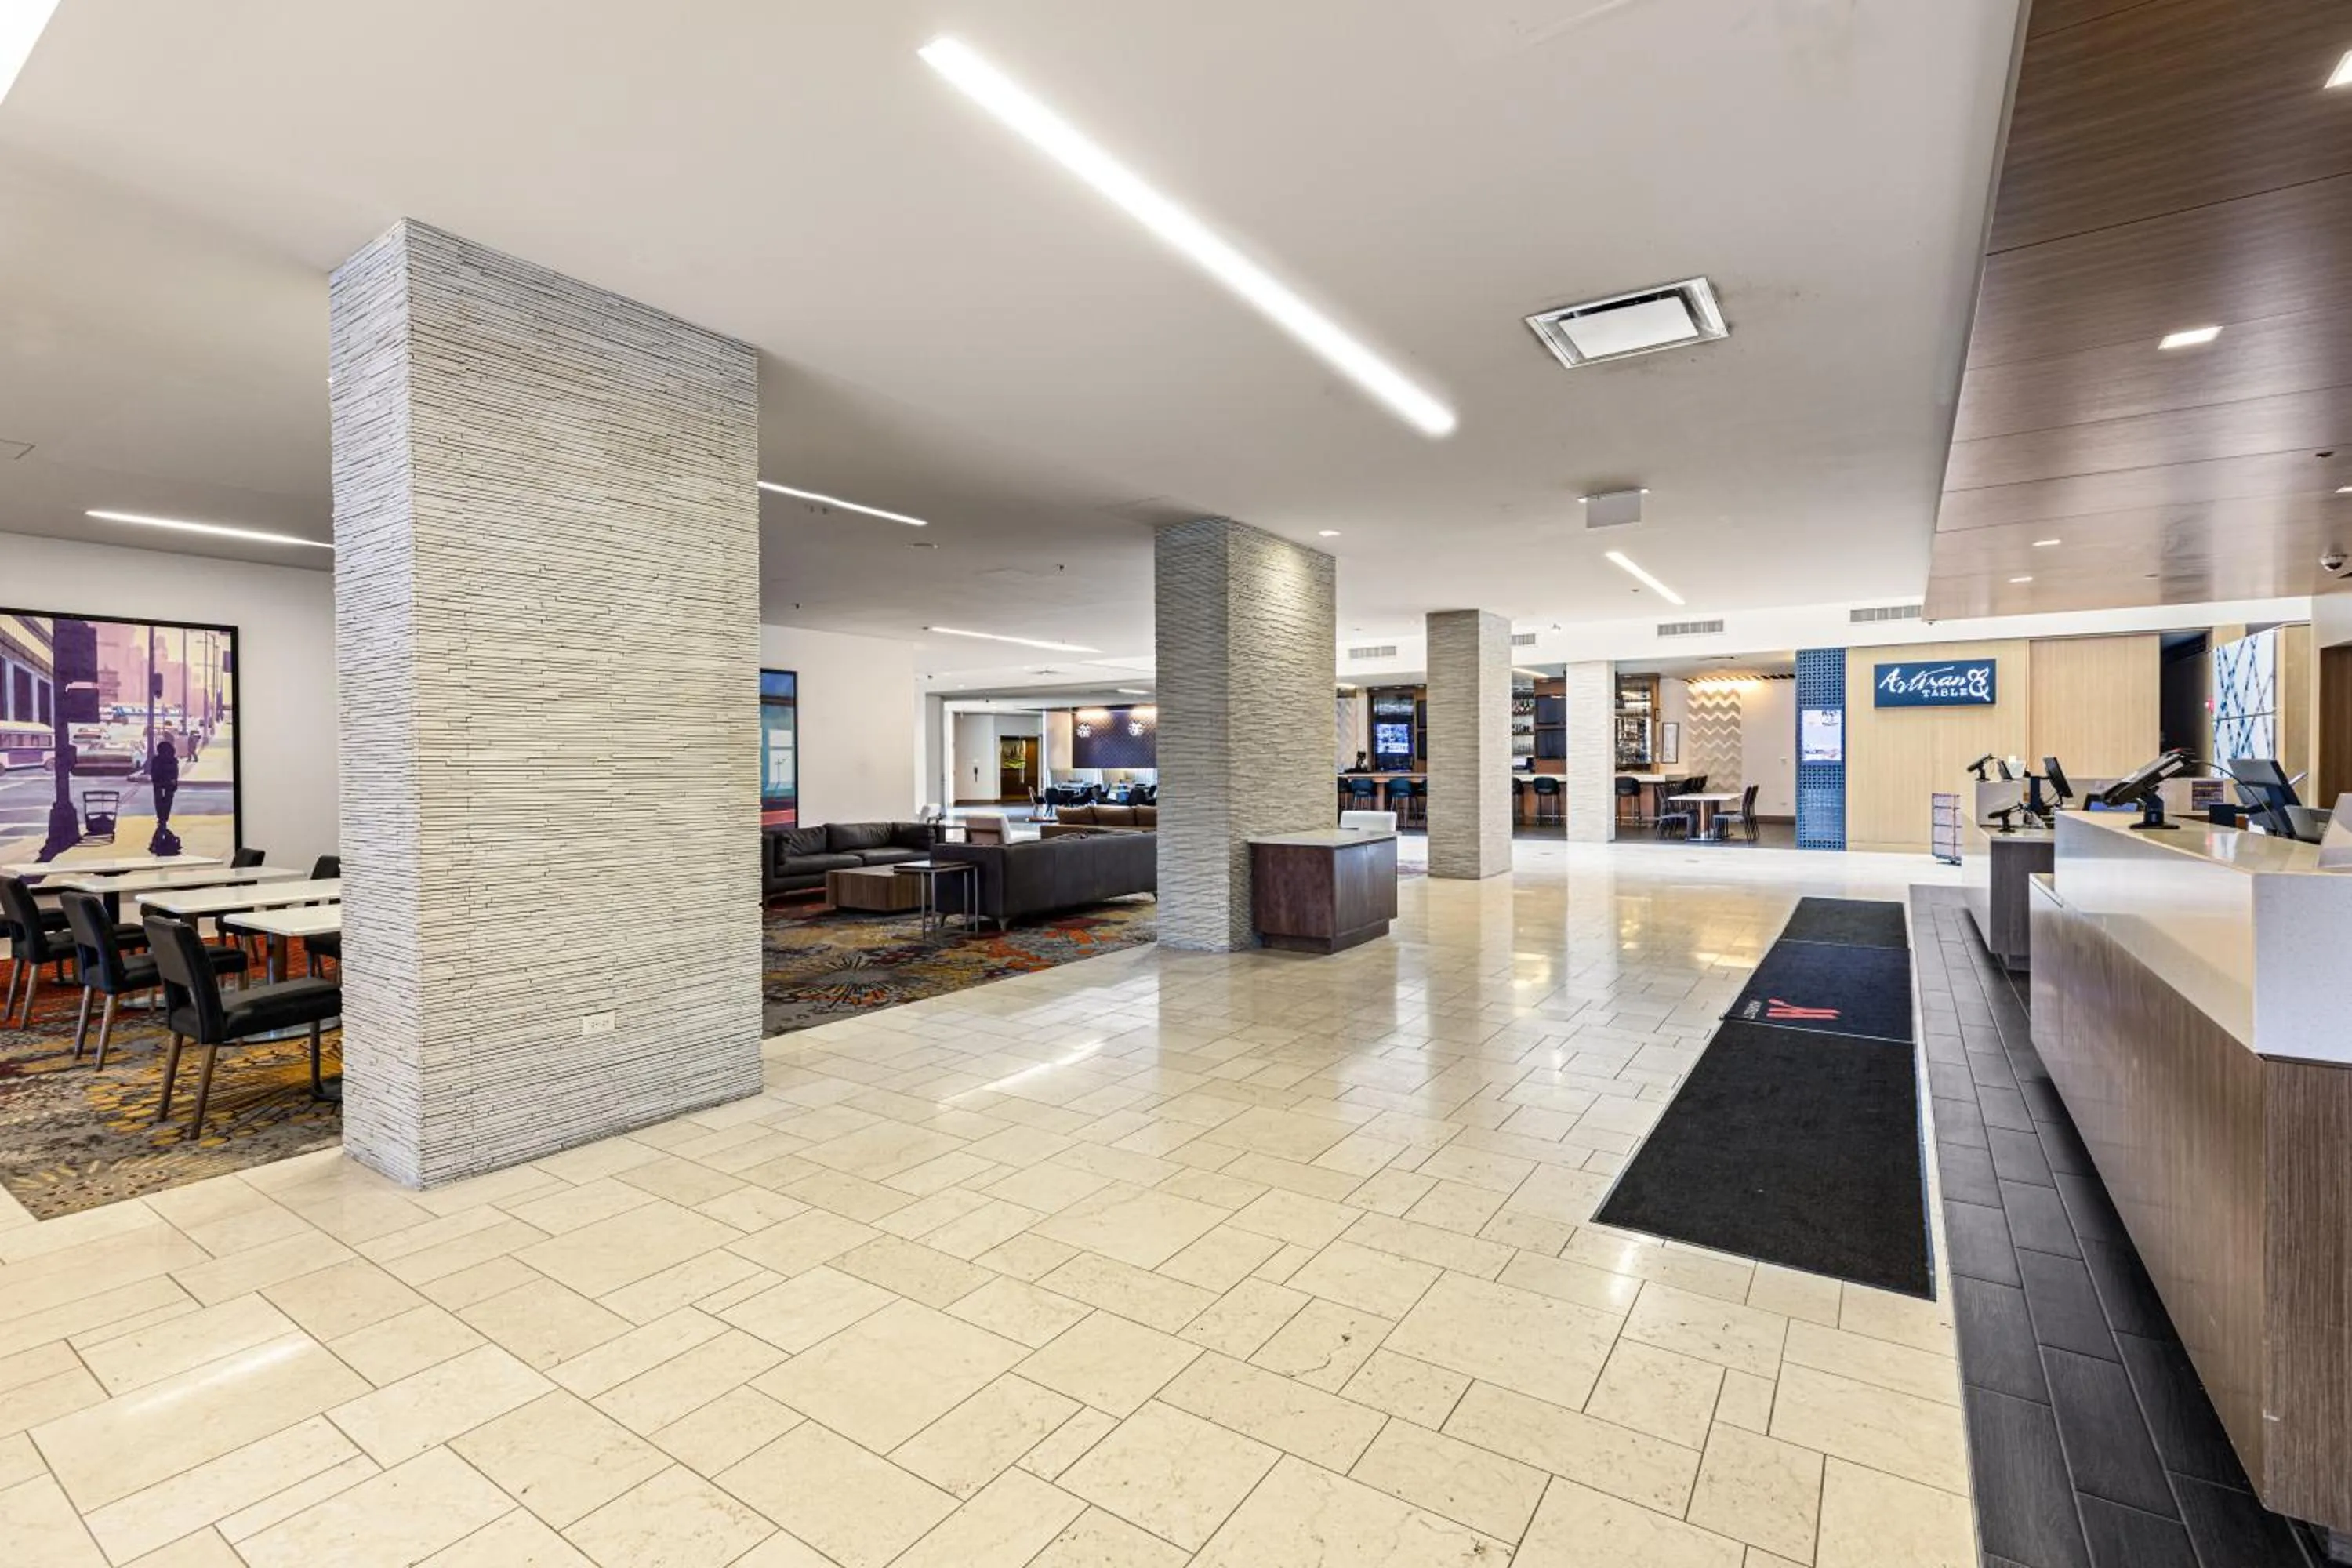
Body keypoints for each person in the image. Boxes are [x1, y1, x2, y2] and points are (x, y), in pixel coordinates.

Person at [148, 735, 181, 854]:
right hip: (168, 787)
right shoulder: (172, 760)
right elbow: (175, 774)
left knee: (160, 803)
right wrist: (173, 783)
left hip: (161, 786)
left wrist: (157, 782)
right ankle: (163, 820)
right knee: (166, 803)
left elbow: (154, 773)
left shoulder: (157, 760)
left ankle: (162, 821)